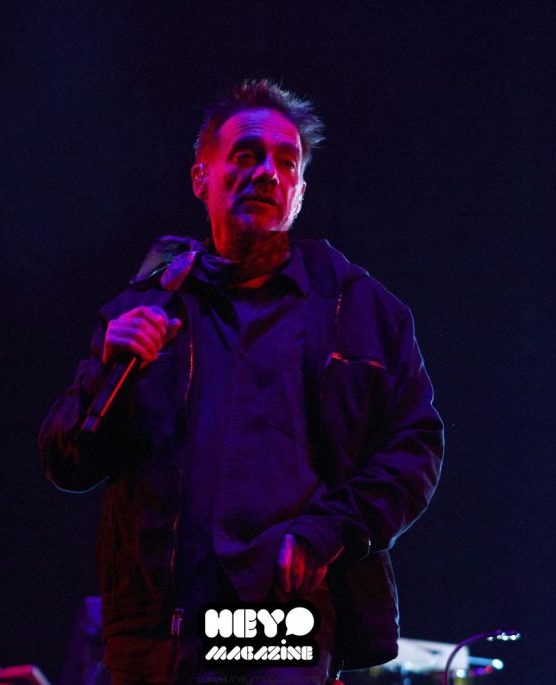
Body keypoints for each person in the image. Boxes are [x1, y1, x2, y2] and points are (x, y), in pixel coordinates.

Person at [39, 80, 444, 685]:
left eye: (287, 162)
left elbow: (414, 450)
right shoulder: (145, 306)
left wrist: (327, 532)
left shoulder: (360, 310)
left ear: (299, 191)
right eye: (246, 155)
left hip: (273, 619)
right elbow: (67, 462)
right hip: (151, 630)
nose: (267, 173)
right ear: (201, 177)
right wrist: (107, 372)